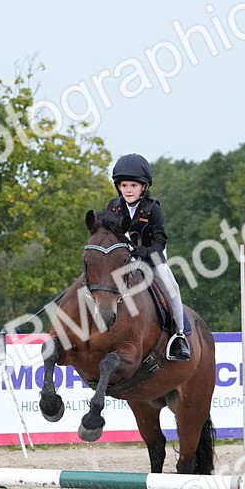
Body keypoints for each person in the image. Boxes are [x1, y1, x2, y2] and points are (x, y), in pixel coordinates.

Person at [106, 153, 190, 361]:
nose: (128, 190)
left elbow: (161, 242)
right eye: (124, 185)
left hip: (150, 260)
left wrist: (140, 253)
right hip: (121, 261)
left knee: (172, 287)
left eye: (133, 186)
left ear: (144, 186)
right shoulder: (113, 207)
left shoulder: (152, 208)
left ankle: (179, 336)